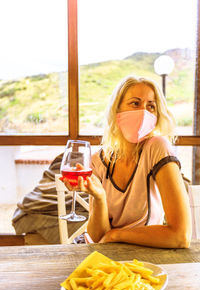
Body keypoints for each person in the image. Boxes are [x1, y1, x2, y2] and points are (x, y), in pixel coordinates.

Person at [62, 75, 192, 248]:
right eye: (135, 103)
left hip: (145, 254)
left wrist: (116, 235)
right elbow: (96, 237)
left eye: (151, 106)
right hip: (105, 256)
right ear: (117, 110)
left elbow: (180, 236)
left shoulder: (158, 147)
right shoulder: (98, 160)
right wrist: (99, 197)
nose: (144, 112)